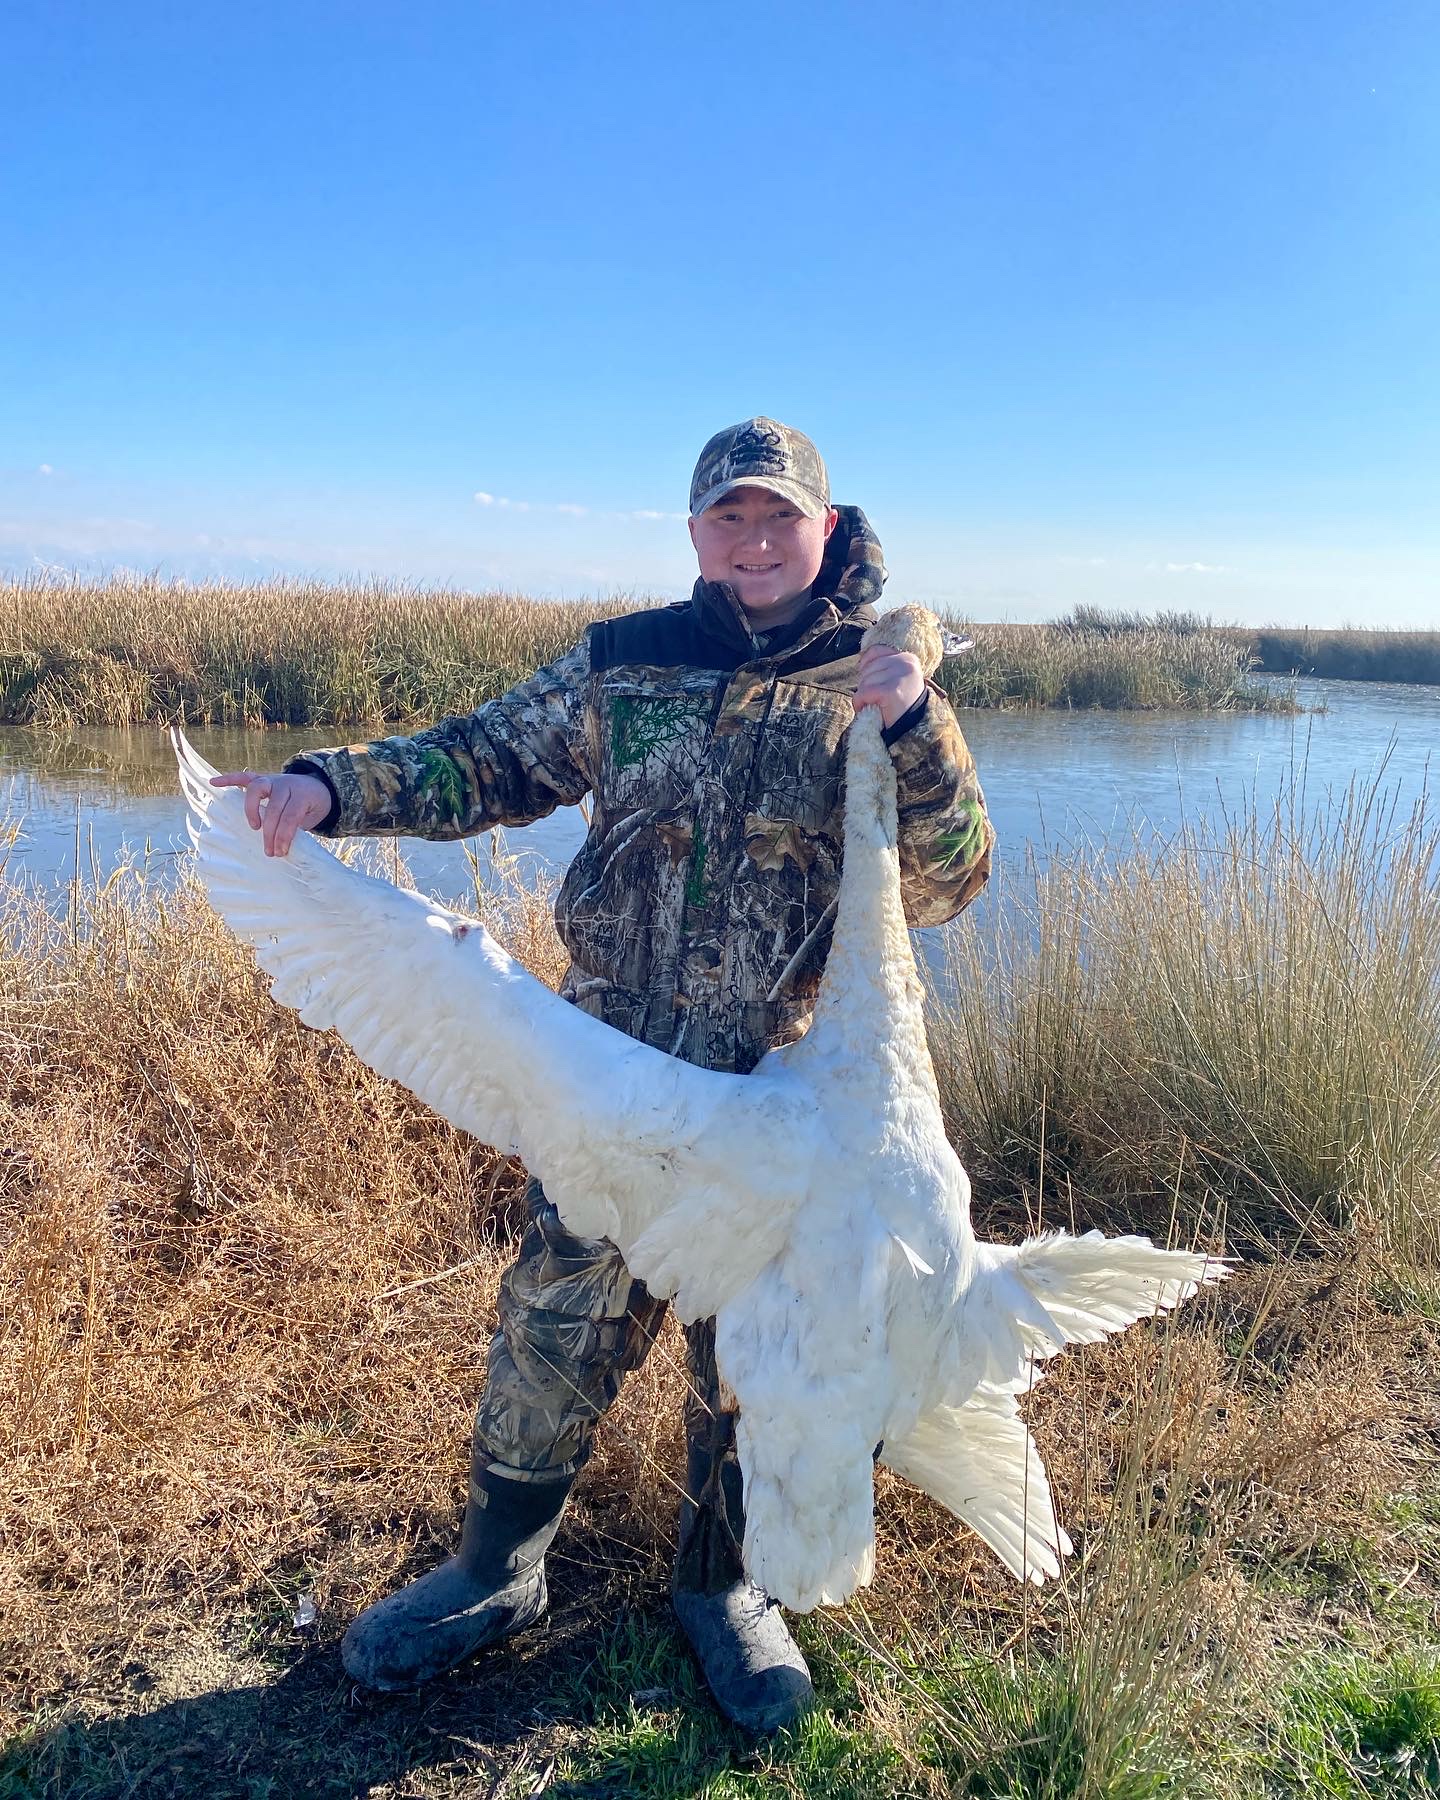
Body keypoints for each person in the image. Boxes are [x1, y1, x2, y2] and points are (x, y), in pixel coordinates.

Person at [213, 418, 994, 1732]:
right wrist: (326, 788)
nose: (754, 541)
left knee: (758, 1349)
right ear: (695, 531)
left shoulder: (875, 681)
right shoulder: (626, 662)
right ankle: (496, 1572)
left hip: (785, 1088)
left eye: (779, 517)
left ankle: (725, 1590)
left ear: (825, 527)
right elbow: (484, 759)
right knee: (553, 1320)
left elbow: (951, 880)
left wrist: (912, 720)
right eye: (729, 517)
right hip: (612, 1060)